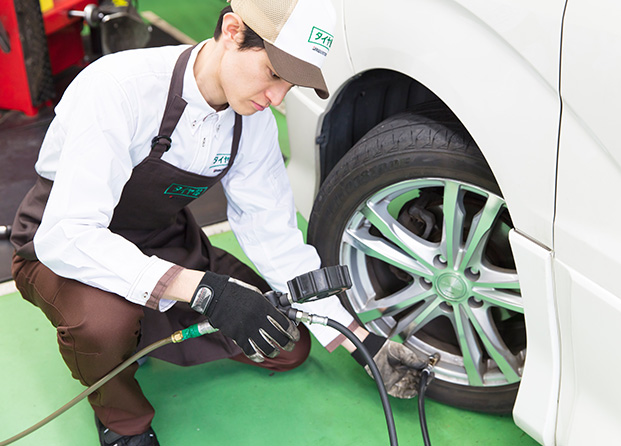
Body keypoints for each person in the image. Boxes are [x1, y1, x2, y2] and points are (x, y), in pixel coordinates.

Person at [10, 0, 427, 444]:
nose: (276, 98)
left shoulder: (252, 122)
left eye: (291, 84)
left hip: (165, 242)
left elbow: (272, 235)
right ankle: (122, 421)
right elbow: (68, 234)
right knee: (104, 324)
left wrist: (361, 343)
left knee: (287, 344)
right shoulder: (120, 87)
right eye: (273, 73)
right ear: (232, 30)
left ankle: (139, 330)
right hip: (60, 250)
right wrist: (204, 290)